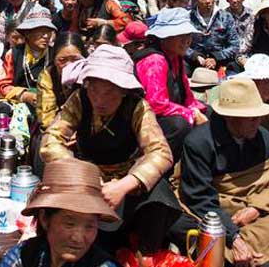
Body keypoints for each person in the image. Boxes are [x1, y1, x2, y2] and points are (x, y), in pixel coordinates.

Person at [41, 45, 180, 256]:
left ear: (123, 91)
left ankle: (145, 252)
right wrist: (80, 174)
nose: (99, 100)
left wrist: (124, 185)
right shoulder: (79, 100)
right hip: (85, 176)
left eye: (109, 92)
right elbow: (51, 140)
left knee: (159, 195)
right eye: (94, 90)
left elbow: (160, 152)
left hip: (125, 178)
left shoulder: (138, 108)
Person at [180, 78, 269, 267]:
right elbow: (199, 198)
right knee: (209, 242)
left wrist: (256, 208)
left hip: (254, 208)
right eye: (251, 118)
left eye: (258, 117)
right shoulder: (199, 143)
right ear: (230, 117)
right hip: (218, 210)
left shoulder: (262, 137)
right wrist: (234, 237)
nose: (258, 123)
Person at [0, 158, 119, 267]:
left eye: (89, 226)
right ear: (44, 219)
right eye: (70, 224)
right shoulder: (24, 255)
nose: (78, 238)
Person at [131, 8, 207, 156]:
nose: (186, 41)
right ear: (164, 37)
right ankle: (161, 162)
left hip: (164, 113)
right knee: (179, 125)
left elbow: (187, 96)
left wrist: (198, 110)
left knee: (208, 112)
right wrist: (191, 114)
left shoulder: (175, 57)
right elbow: (156, 104)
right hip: (143, 121)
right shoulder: (155, 60)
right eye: (180, 36)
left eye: (188, 35)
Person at [0, 7, 56, 107]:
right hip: (18, 104)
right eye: (41, 31)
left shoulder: (55, 54)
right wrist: (24, 95)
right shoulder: (14, 54)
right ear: (28, 33)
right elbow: (0, 87)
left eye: (48, 31)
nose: (46, 36)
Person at [36, 32, 85, 132]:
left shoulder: (90, 78)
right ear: (54, 59)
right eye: (62, 60)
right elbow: (46, 117)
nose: (69, 65)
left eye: (75, 59)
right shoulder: (48, 76)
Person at [189, 0, 240, 71]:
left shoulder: (225, 17)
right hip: (194, 62)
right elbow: (180, 43)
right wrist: (195, 56)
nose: (208, 1)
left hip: (220, 62)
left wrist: (216, 57)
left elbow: (234, 45)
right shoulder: (188, 17)